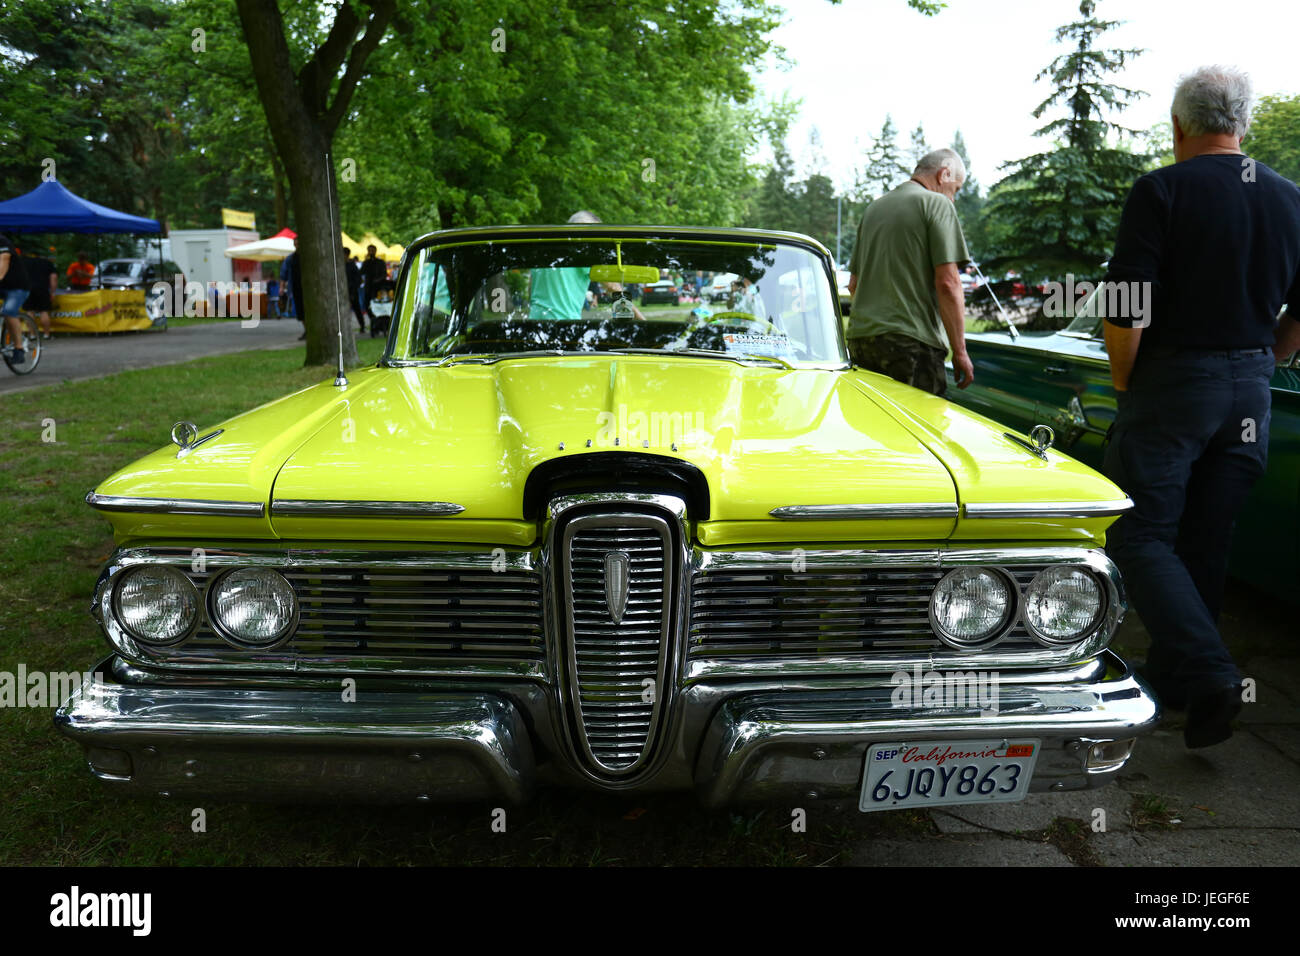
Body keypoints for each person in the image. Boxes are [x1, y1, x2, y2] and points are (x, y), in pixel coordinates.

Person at [1102, 66, 1300, 748]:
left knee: (1138, 534)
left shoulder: (1161, 190)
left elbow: (1127, 305)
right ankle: (1180, 680)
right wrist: (1264, 361)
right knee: (1206, 538)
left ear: (1179, 124)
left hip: (1173, 382)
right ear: (1241, 123)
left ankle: (1211, 673)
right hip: (1250, 387)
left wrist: (1127, 385)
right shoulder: (1289, 197)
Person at [847, 148, 973, 396]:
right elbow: (948, 284)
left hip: (861, 342)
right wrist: (959, 351)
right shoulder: (936, 204)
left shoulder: (874, 209)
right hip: (911, 347)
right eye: (955, 189)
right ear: (944, 175)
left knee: (873, 429)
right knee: (920, 430)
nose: (954, 199)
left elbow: (854, 285)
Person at [0, 233, 31, 363]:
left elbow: (3, 262)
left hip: (17, 287)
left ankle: (19, 349)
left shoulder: (2, 242)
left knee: (8, 311)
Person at [22, 250, 57, 338]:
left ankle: (32, 334)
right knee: (44, 311)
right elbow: (54, 278)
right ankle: (46, 334)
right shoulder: (47, 263)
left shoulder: (24, 262)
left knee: (29, 311)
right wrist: (53, 292)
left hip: (27, 288)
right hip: (42, 289)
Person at [359, 244, 387, 317]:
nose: (371, 252)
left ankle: (379, 320)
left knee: (378, 304)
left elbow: (384, 274)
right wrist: (365, 260)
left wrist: (377, 280)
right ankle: (372, 318)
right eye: (369, 250)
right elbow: (361, 272)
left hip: (378, 287)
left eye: (372, 250)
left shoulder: (380, 262)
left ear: (375, 251)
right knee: (367, 304)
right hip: (368, 287)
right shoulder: (366, 262)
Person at [343, 244, 365, 333]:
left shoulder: (352, 265)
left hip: (352, 291)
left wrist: (353, 287)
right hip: (344, 291)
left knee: (357, 309)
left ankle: (362, 325)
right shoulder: (341, 265)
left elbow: (358, 279)